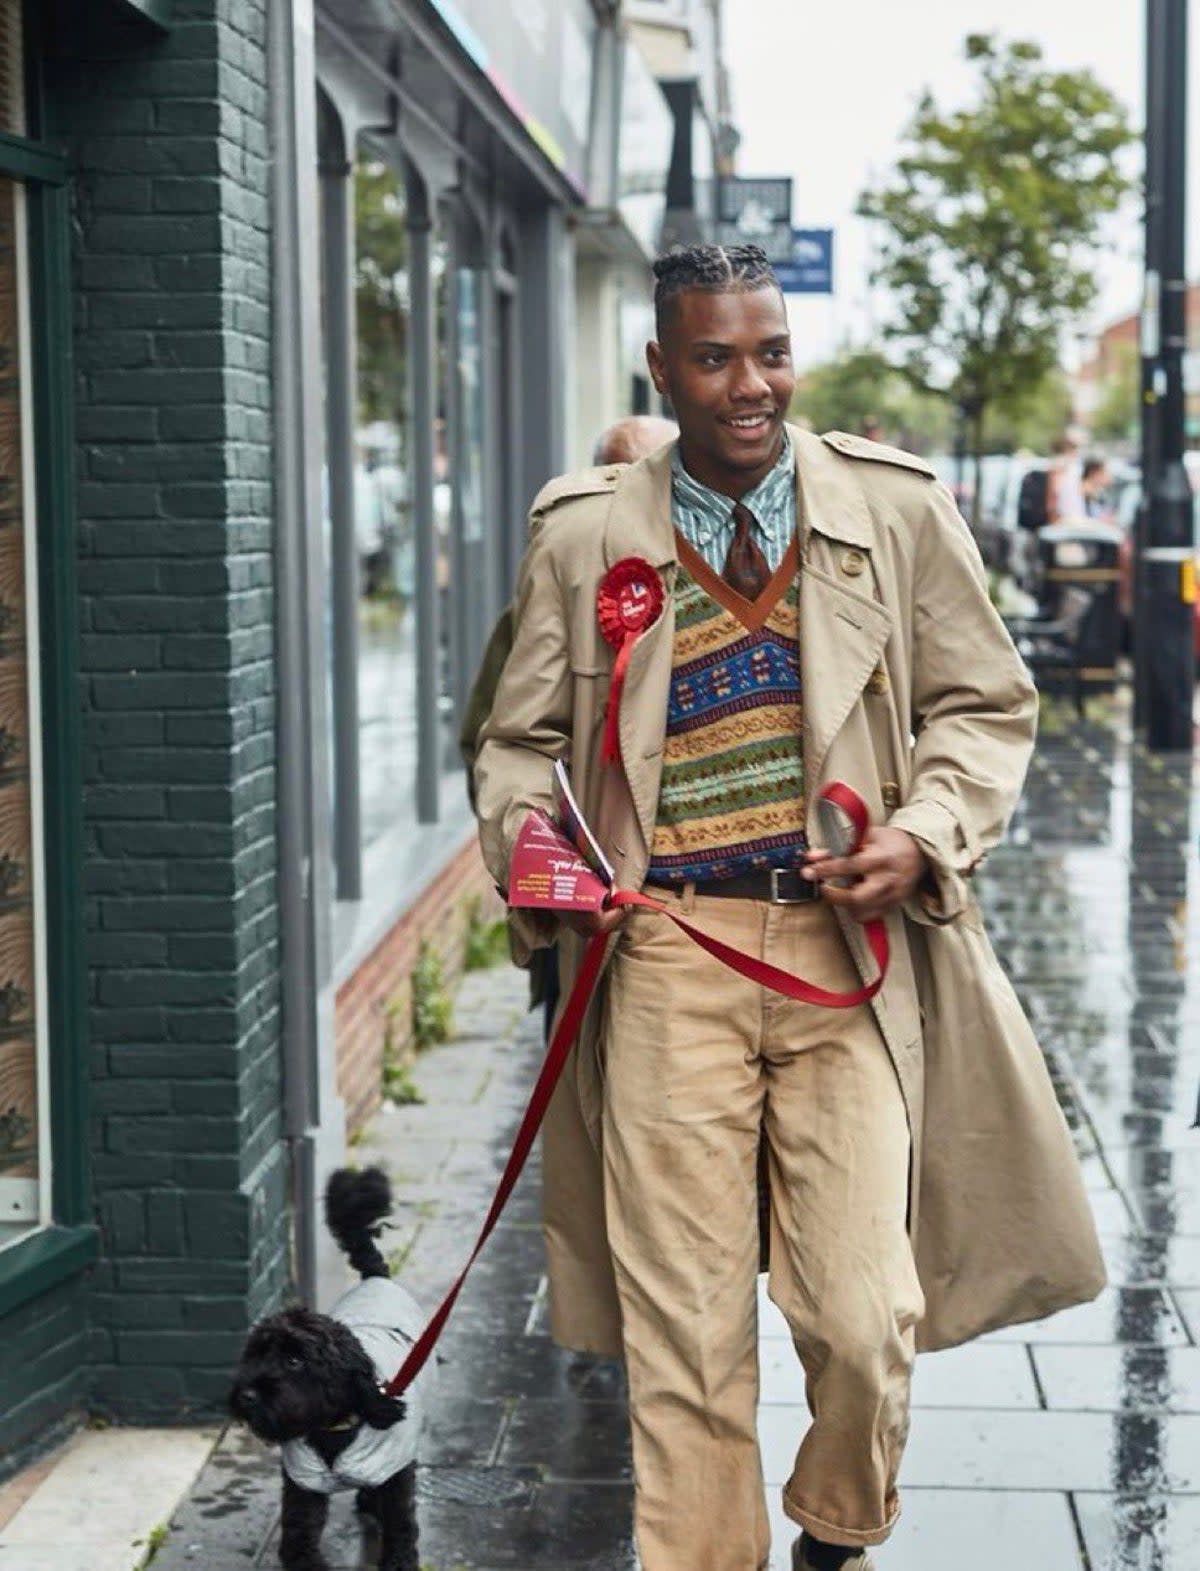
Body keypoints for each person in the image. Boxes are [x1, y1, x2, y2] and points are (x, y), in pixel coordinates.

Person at [473, 244, 1104, 1571]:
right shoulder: (587, 532)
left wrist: (926, 834)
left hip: (847, 962)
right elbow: (515, 741)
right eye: (715, 357)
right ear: (663, 366)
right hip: (665, 955)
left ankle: (837, 1525)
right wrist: (539, 850)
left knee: (867, 1312)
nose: (750, 384)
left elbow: (986, 706)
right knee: (687, 1335)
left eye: (771, 352)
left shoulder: (897, 511)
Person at [460, 414, 679, 1032]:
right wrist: (543, 857)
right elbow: (496, 740)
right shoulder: (555, 589)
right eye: (616, 473)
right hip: (585, 906)